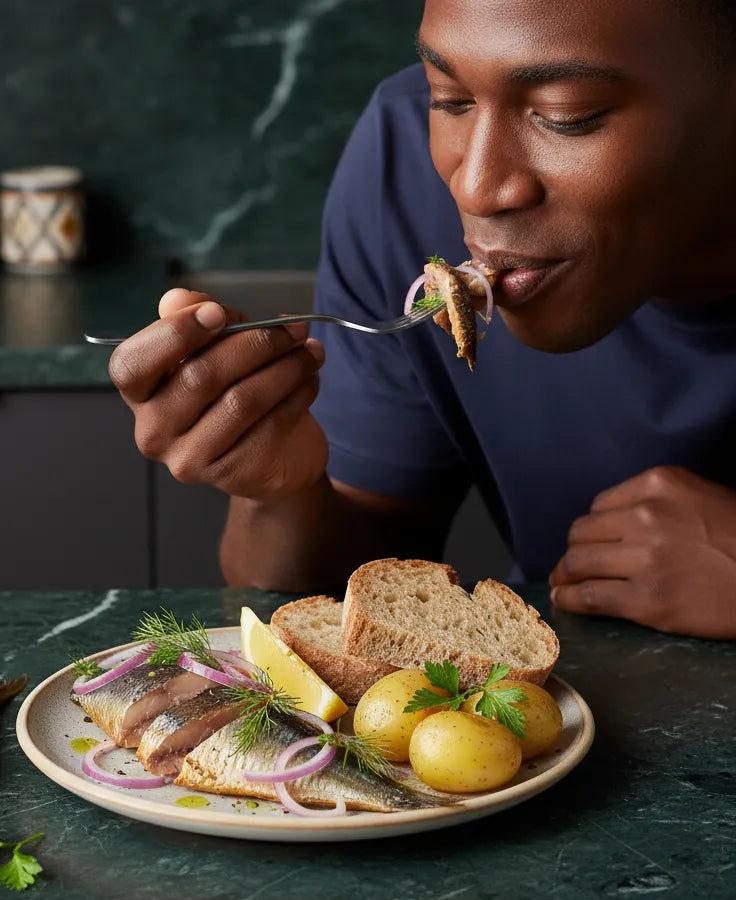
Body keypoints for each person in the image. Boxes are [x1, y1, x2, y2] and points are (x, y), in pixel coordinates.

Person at [107, 0, 736, 641]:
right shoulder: (399, 164)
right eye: (451, 100)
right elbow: (347, 598)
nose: (478, 187)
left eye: (565, 116)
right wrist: (278, 489)